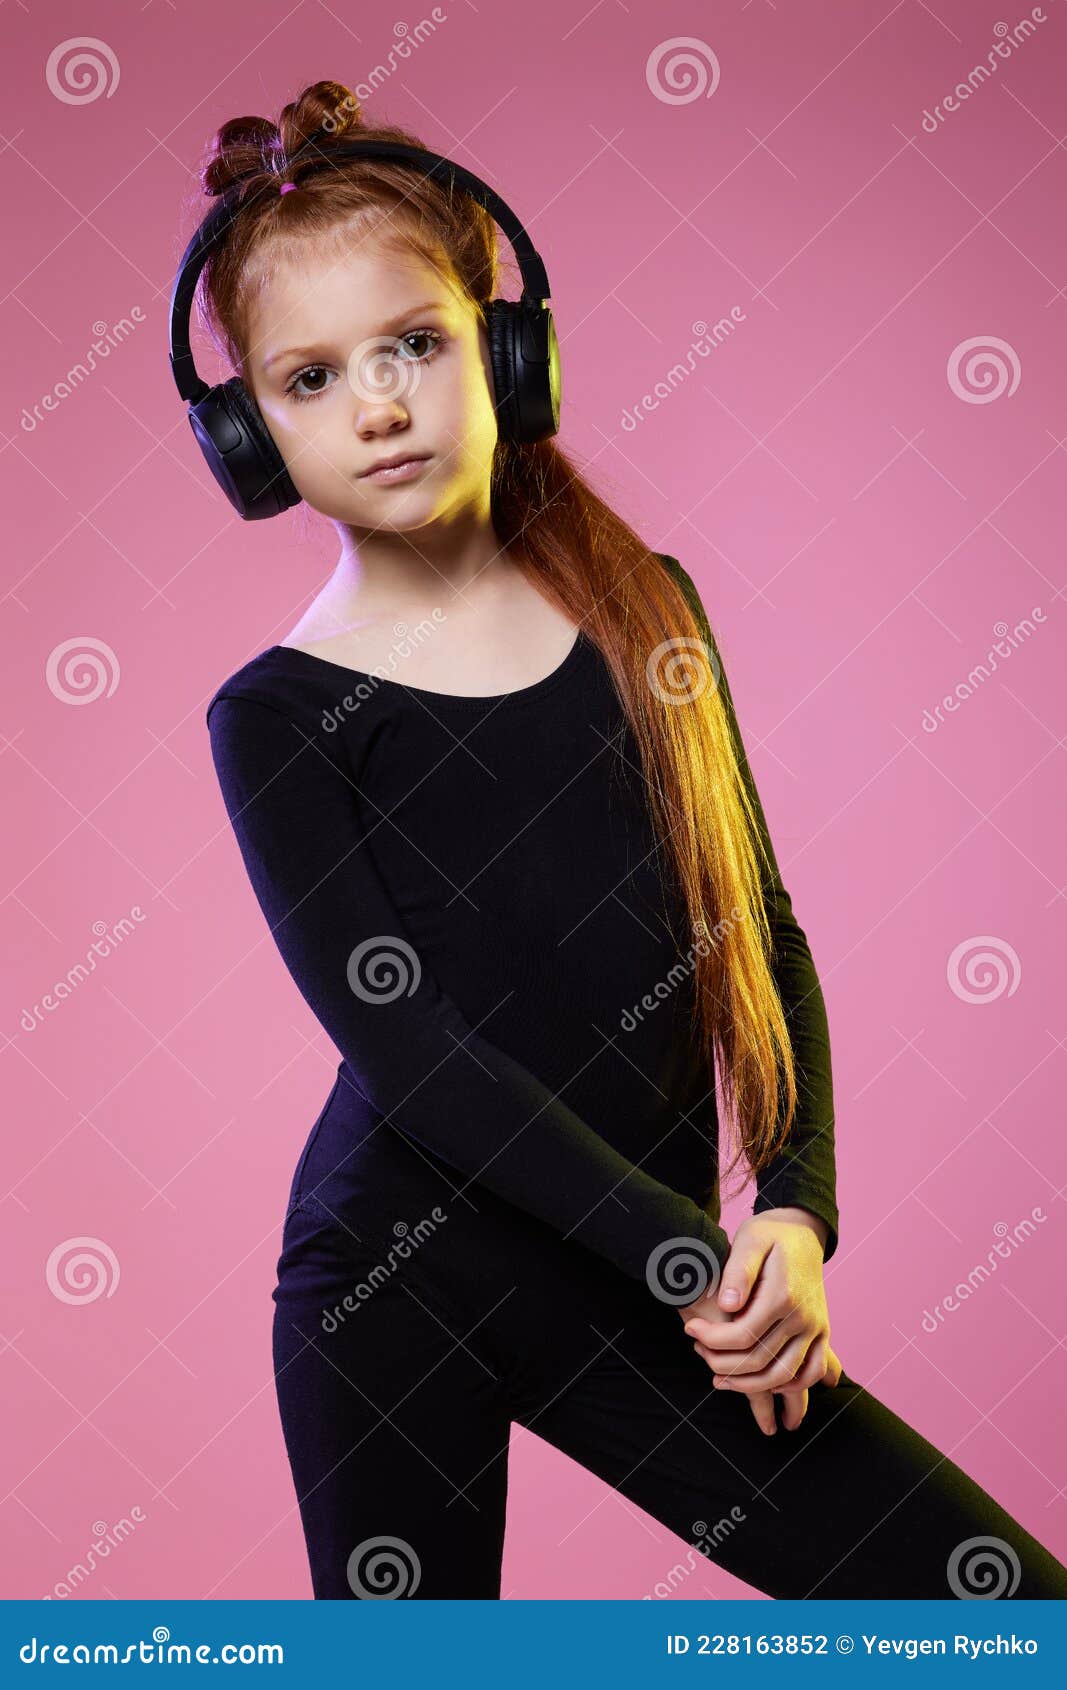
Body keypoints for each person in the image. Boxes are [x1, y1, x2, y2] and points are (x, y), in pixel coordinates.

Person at [195, 80, 1067, 1600]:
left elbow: (759, 922)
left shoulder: (642, 604)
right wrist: (692, 1253)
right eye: (312, 378)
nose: (380, 404)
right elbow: (416, 1054)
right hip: (399, 1286)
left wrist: (790, 1212)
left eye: (415, 344)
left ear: (508, 349)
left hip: (657, 1272)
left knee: (1000, 1616)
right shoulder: (276, 713)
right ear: (251, 437)